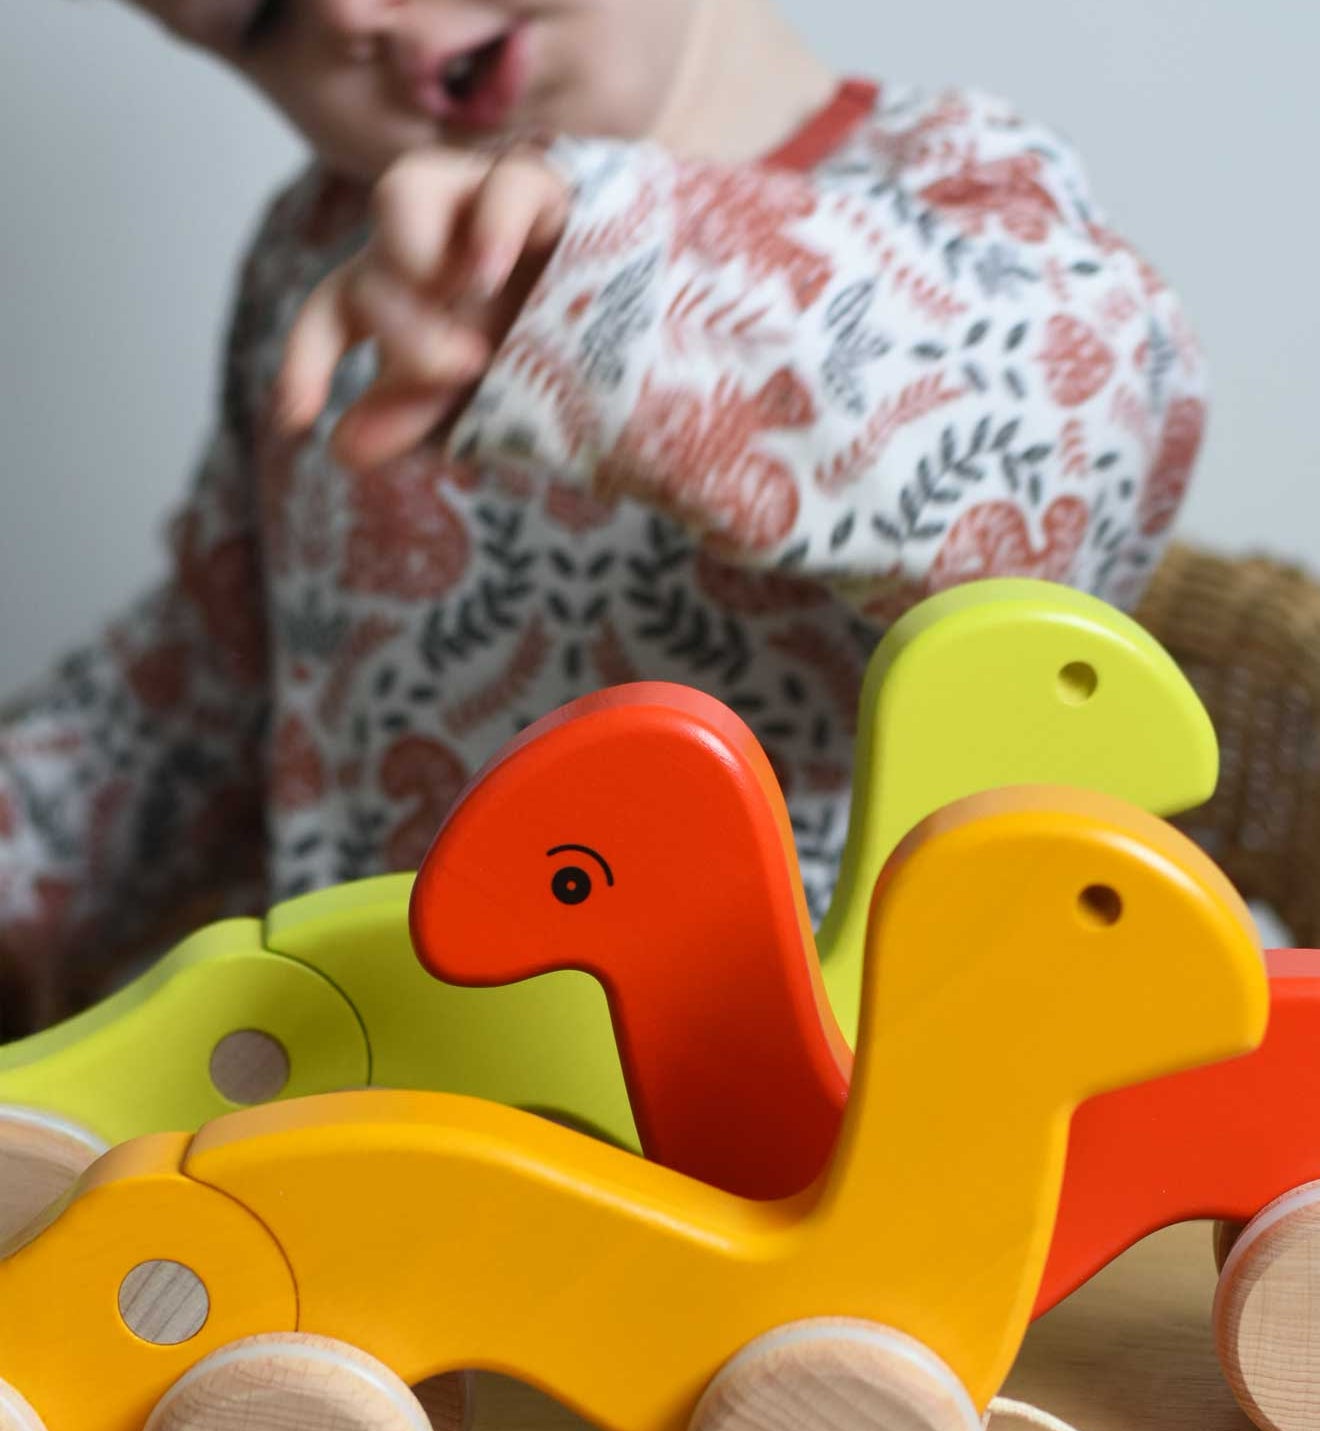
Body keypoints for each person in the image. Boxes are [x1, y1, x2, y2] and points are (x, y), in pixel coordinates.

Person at [0, 0, 1207, 1032]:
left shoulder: (946, 184)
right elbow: (203, 687)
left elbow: (1072, 455)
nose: (351, 15)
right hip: (373, 1095)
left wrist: (606, 283)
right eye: (257, 13)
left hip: (776, 1118)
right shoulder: (318, 255)